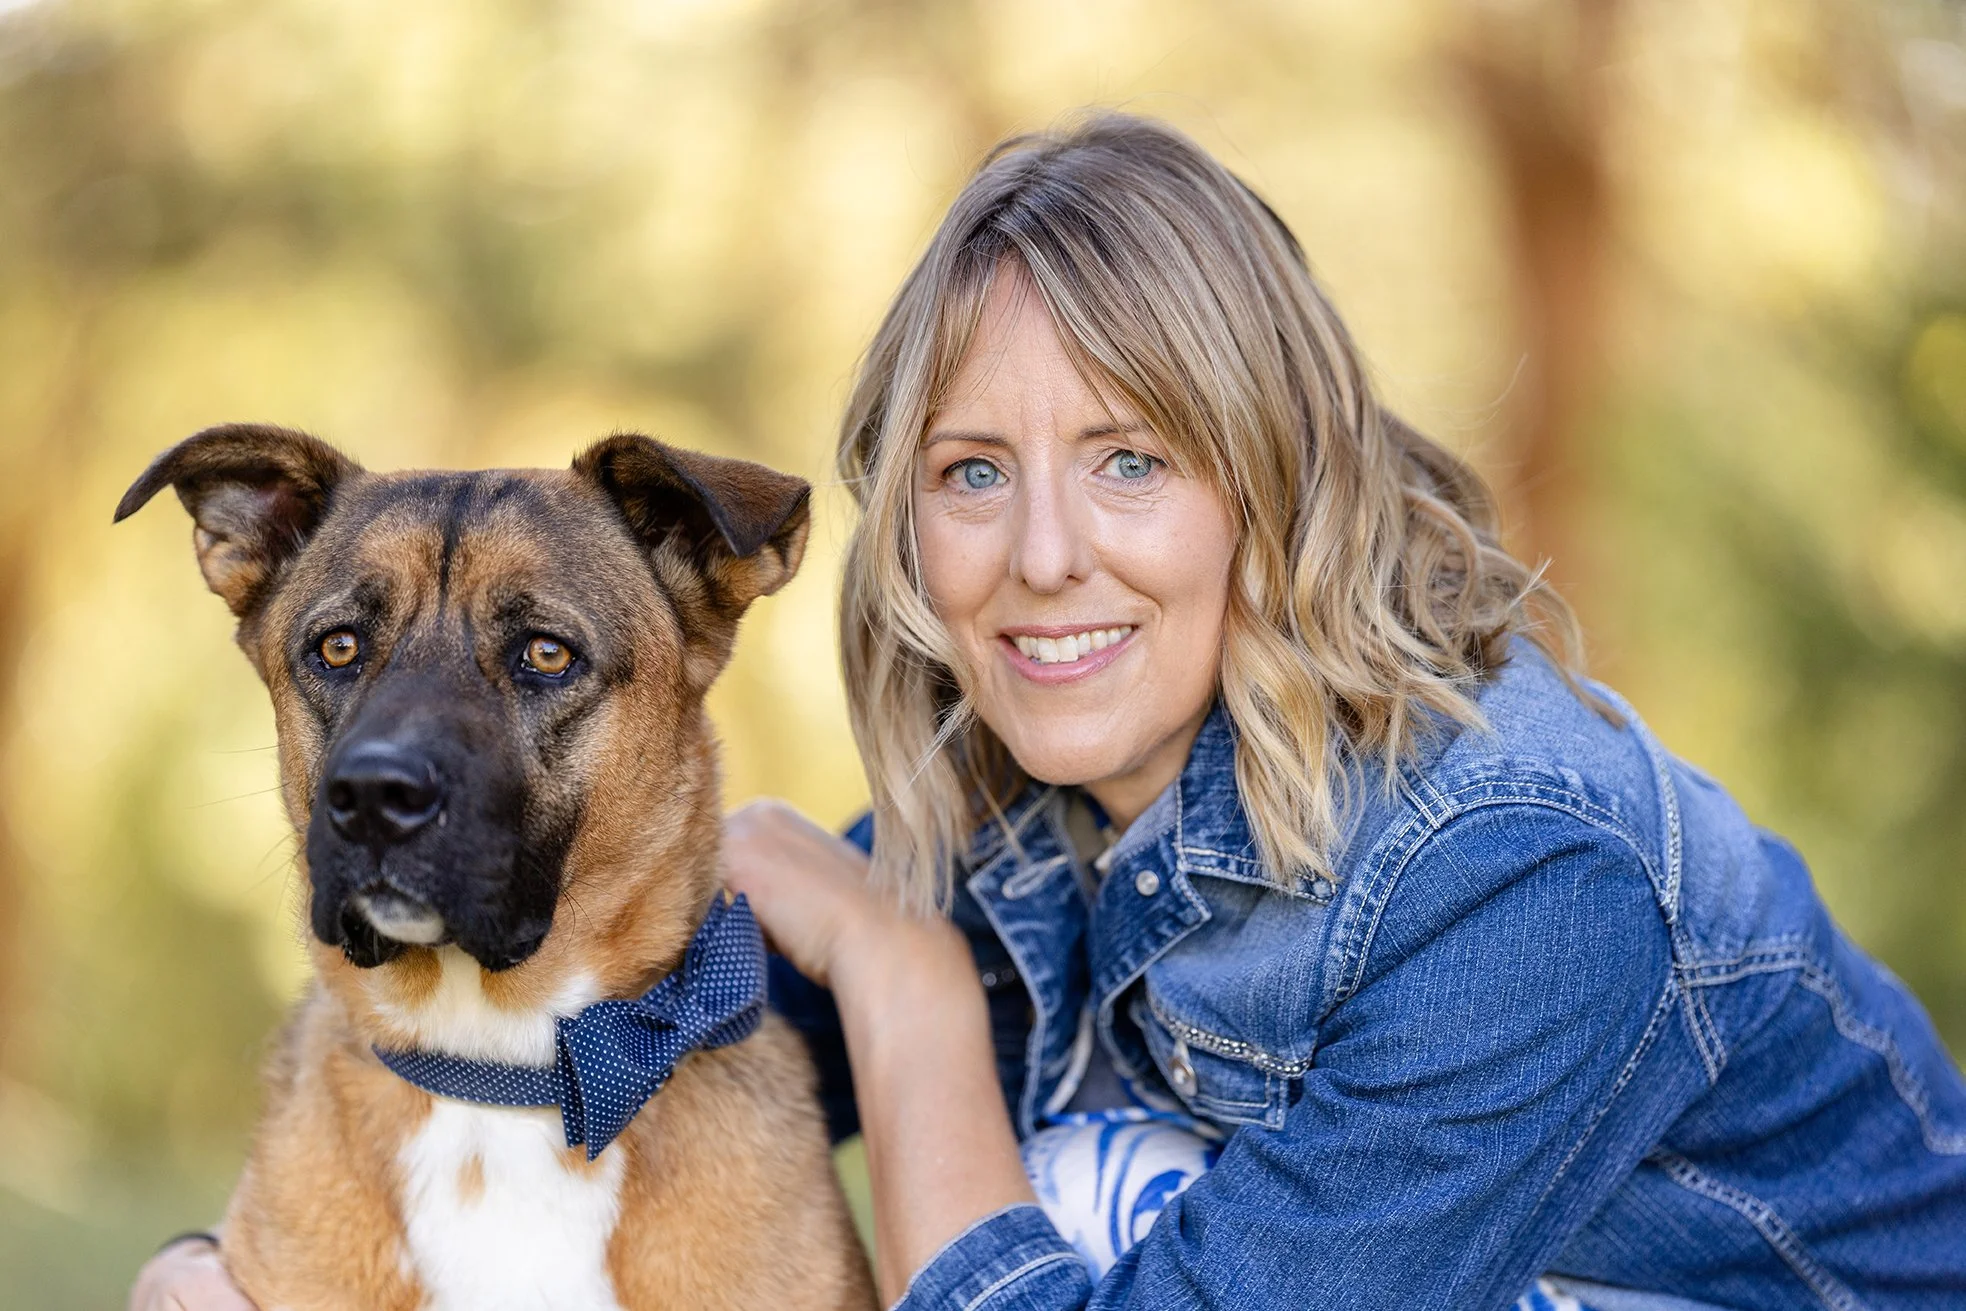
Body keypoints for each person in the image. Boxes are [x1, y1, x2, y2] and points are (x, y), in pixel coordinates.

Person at [134, 113, 1966, 1311]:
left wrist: (917, 1004)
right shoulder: (1012, 815)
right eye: (972, 471)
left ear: (1277, 474)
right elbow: (614, 1035)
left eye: (1131, 460)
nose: (1043, 556)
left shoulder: (1526, 885)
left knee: (1074, 1186)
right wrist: (208, 1278)